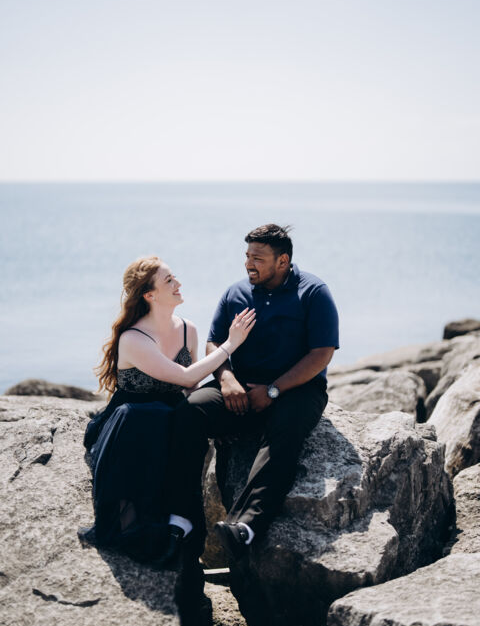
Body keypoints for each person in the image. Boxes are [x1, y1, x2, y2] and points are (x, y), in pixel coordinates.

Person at [163, 224, 339, 559]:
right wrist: (227, 379)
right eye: (247, 256)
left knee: (285, 428)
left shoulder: (314, 292)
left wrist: (273, 390)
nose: (248, 264)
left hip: (298, 390)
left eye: (258, 258)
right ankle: (182, 519)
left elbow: (322, 353)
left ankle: (247, 527)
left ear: (283, 261)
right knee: (189, 412)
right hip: (239, 390)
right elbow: (215, 342)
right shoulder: (235, 293)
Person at [80, 255, 255, 566]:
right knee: (146, 428)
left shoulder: (188, 329)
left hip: (171, 417)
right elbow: (186, 376)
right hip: (133, 423)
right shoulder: (133, 338)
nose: (178, 284)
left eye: (174, 277)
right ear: (150, 295)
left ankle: (185, 536)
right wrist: (231, 344)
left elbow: (190, 388)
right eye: (169, 281)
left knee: (183, 429)